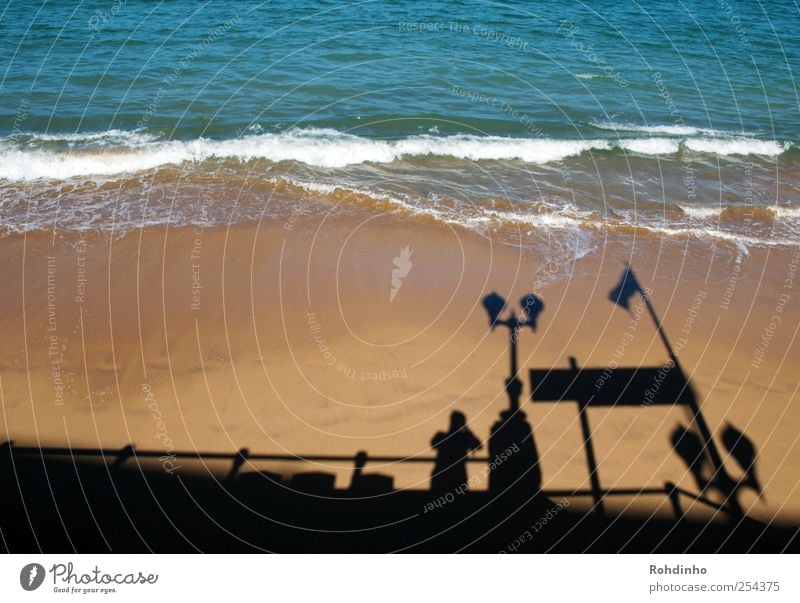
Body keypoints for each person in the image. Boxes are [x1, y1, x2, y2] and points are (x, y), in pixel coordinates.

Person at [430, 411, 482, 495]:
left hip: (445, 475)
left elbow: (479, 446)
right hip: (456, 475)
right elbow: (478, 446)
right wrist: (467, 431)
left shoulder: (443, 437)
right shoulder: (463, 438)